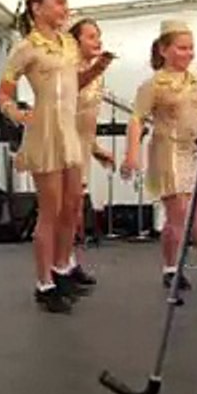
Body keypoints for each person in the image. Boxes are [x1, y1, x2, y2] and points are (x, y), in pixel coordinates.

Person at [0, 0, 113, 314]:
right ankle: (43, 282)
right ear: (37, 7)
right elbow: (2, 94)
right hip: (45, 131)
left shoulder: (68, 44)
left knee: (72, 205)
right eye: (58, 2)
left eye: (65, 1)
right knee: (51, 209)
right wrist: (18, 113)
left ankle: (62, 267)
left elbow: (74, 84)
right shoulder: (25, 48)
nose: (65, 8)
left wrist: (98, 68)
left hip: (68, 130)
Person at [121, 19, 197, 290]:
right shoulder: (153, 84)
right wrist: (132, 155)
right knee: (180, 214)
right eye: (182, 48)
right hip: (167, 151)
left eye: (191, 48)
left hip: (193, 151)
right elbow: (136, 119)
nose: (188, 53)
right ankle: (183, 266)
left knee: (196, 214)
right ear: (163, 50)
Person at [66, 17, 116, 285]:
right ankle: (59, 266)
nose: (98, 41)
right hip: (62, 144)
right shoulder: (67, 69)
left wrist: (96, 149)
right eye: (91, 36)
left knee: (73, 210)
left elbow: (88, 119)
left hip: (82, 147)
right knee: (66, 211)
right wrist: (98, 68)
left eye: (99, 36)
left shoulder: (97, 76)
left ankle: (68, 262)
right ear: (76, 42)